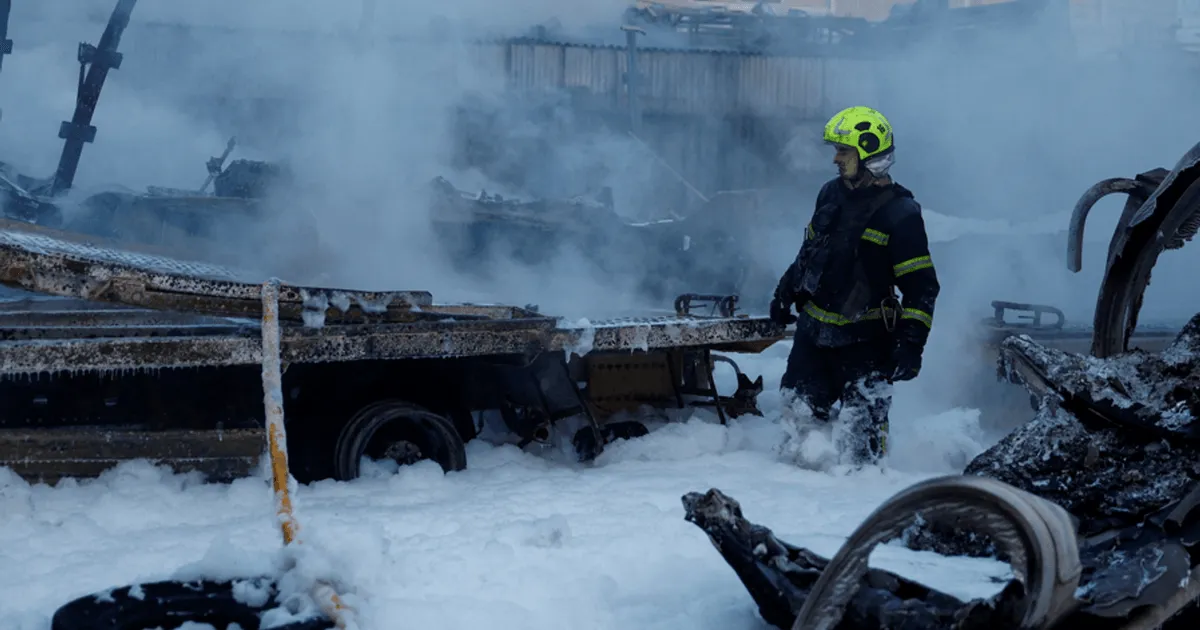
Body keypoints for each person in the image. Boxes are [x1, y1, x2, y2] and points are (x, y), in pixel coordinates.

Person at [769, 105, 939, 466]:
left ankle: (854, 515)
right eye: (836, 150)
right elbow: (810, 251)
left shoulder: (901, 214)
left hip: (866, 345)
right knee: (797, 438)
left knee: (860, 455)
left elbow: (921, 287)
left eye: (844, 151)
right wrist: (785, 291)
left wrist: (911, 345)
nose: (836, 159)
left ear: (869, 155)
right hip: (813, 337)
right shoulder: (830, 194)